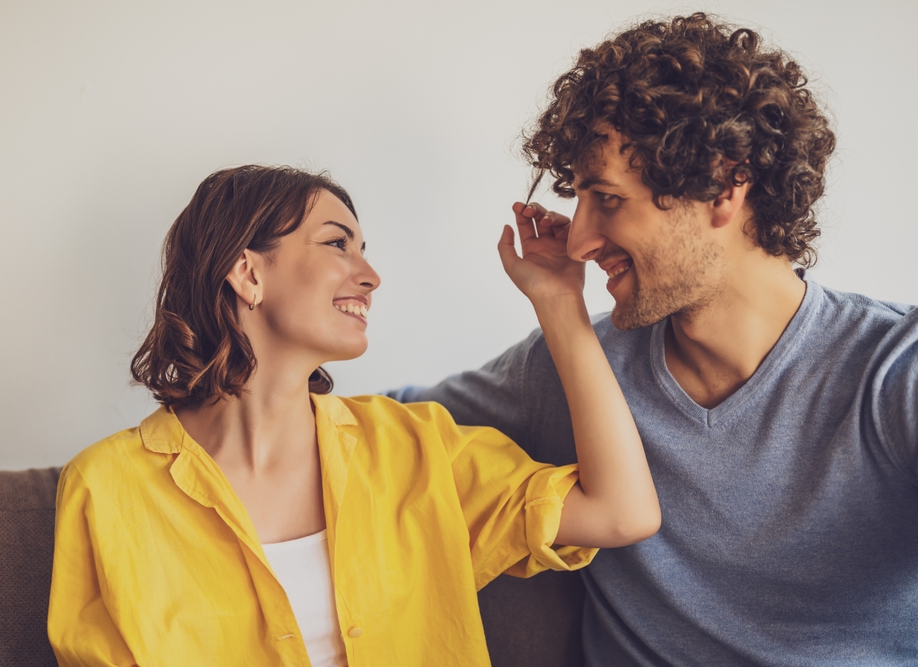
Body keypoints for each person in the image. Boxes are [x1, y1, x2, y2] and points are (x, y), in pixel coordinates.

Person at [390, 12, 918, 666]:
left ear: (724, 187)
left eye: (606, 198)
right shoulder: (578, 369)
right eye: (578, 198)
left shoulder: (914, 378)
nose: (576, 240)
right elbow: (377, 429)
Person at [46, 165, 661, 667]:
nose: (370, 277)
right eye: (337, 244)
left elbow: (622, 512)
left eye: (363, 251)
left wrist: (559, 302)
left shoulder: (417, 448)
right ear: (248, 272)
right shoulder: (105, 488)